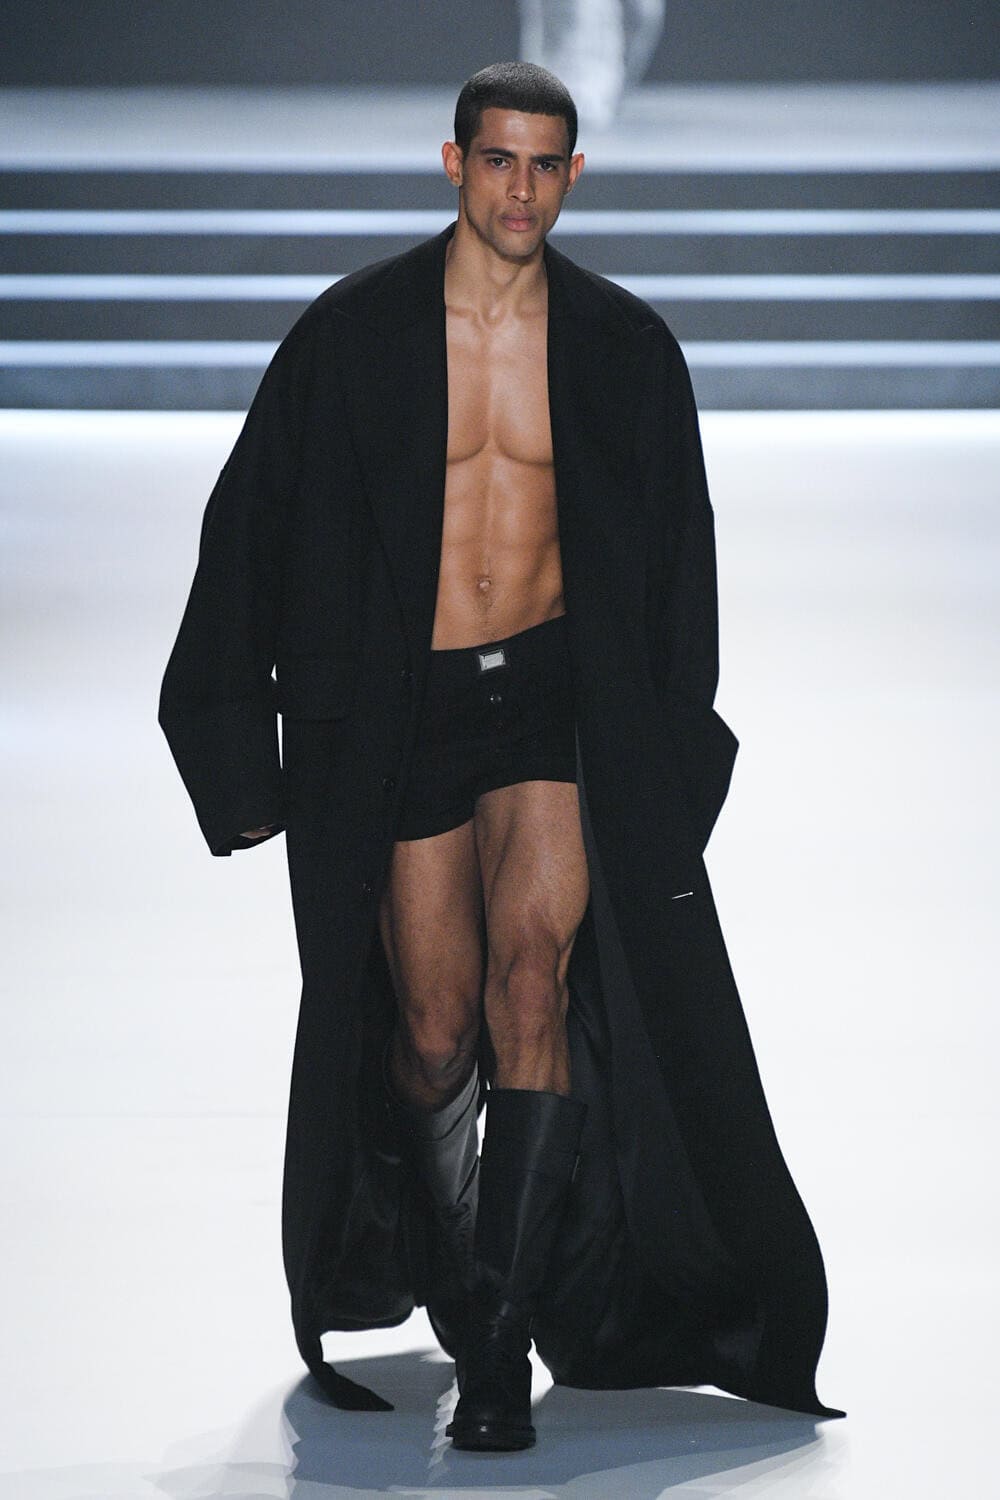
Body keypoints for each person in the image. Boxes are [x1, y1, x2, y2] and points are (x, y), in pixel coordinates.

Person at [159, 61, 841, 1453]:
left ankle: (496, 1333)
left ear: (574, 176)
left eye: (545, 166)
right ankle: (459, 1255)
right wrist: (235, 743)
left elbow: (678, 571)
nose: (520, 190)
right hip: (405, 711)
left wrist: (667, 760)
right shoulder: (354, 337)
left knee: (533, 984)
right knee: (429, 1030)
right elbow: (254, 527)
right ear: (454, 163)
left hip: (550, 702)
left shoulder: (621, 349)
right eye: (498, 161)